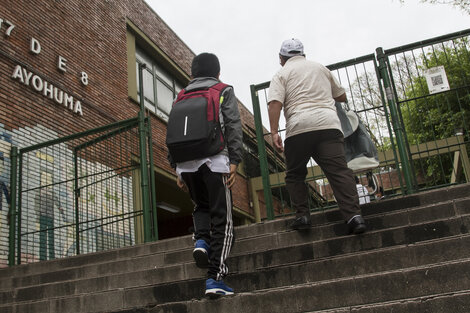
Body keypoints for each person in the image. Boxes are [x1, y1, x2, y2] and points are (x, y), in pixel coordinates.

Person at [267, 38, 366, 234]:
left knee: (295, 174)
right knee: (339, 171)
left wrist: (274, 131)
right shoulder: (320, 68)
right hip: (328, 125)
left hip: (298, 128)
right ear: (303, 54)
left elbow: (275, 104)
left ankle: (302, 216)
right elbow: (342, 96)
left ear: (281, 58)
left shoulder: (281, 74)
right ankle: (354, 217)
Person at [171, 53, 242, 297]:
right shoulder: (223, 90)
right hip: (215, 160)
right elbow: (233, 125)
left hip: (186, 164)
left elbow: (173, 130)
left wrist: (176, 167)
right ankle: (215, 277)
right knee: (223, 219)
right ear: (218, 73)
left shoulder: (180, 95)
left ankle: (201, 241)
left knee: (201, 205)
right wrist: (235, 160)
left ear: (192, 74)